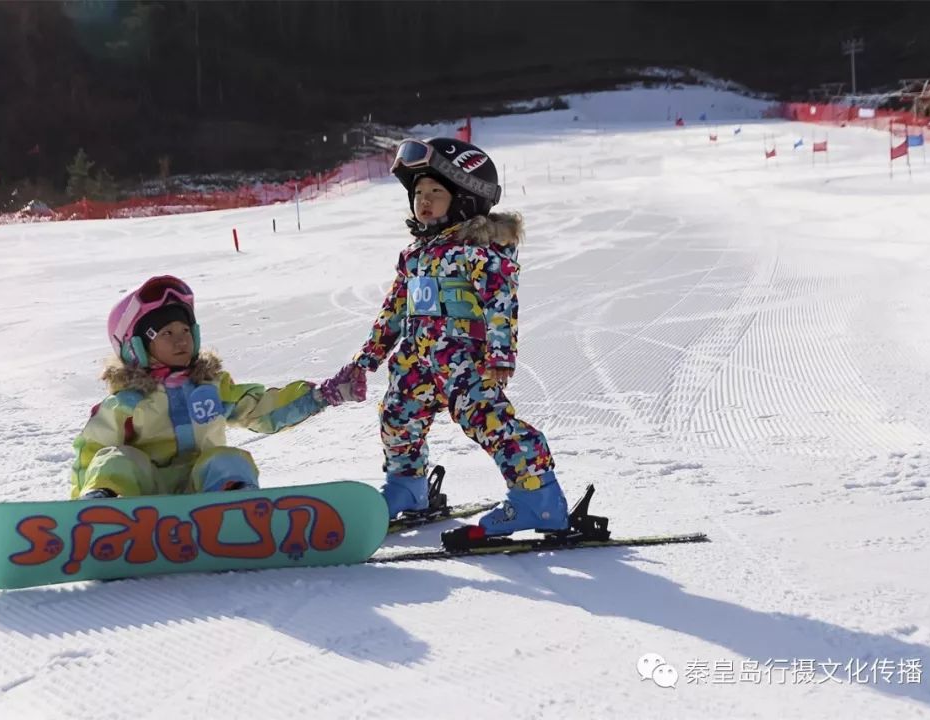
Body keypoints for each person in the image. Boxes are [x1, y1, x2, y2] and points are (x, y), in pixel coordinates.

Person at [352, 137, 569, 540]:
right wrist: (368, 358)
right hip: (415, 361)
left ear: (467, 198)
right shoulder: (415, 254)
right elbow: (394, 309)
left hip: (465, 359)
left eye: (436, 191)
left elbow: (500, 301)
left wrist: (501, 354)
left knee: (488, 421)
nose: (425, 200)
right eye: (418, 193)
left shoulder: (479, 249)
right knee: (397, 417)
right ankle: (408, 487)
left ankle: (538, 498)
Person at [71, 275, 366, 499]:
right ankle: (98, 514)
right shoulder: (126, 402)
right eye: (166, 333)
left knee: (228, 458)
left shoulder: (211, 387)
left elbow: (262, 410)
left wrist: (320, 396)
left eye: (186, 330)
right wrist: (80, 496)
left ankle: (237, 506)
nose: (181, 340)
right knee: (117, 459)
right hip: (145, 498)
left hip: (202, 492)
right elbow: (91, 453)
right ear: (136, 347)